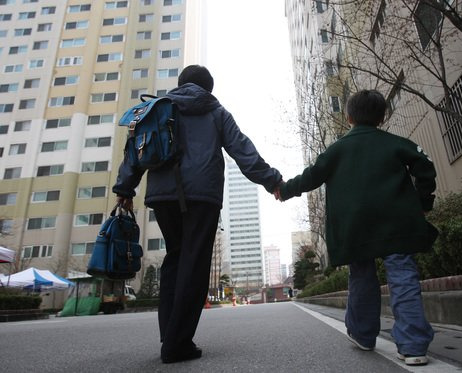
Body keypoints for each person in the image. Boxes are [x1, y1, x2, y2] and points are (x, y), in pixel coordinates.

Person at [113, 65, 283, 364]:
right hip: (202, 196)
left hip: (163, 195)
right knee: (194, 264)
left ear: (180, 85)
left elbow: (134, 151)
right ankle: (177, 344)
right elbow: (242, 150)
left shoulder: (157, 108)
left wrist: (125, 189)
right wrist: (272, 180)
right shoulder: (216, 112)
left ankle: (170, 335)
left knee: (175, 260)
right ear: (209, 88)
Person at [275, 90, 437, 366]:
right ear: (382, 117)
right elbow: (425, 167)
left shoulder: (336, 150)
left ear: (348, 117)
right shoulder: (396, 143)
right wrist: (423, 202)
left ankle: (363, 334)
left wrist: (284, 190)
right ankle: (413, 346)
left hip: (355, 227)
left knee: (361, 276)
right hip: (397, 222)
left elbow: (310, 176)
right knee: (402, 275)